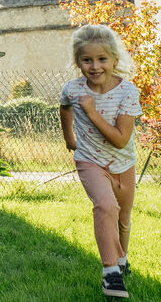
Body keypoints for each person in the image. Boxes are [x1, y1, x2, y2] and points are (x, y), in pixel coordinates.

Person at [60, 24, 143, 298]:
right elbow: (64, 106)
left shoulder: (128, 92)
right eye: (87, 60)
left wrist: (92, 113)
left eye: (102, 59)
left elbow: (120, 139)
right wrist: (69, 137)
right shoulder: (72, 89)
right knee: (106, 206)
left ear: (114, 61)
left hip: (123, 163)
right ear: (78, 62)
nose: (94, 66)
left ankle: (122, 259)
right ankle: (110, 273)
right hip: (89, 161)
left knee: (123, 218)